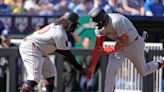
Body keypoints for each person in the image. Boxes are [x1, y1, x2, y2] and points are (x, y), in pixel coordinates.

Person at [86, 8, 164, 92]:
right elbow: (97, 48)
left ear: (102, 21)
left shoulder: (116, 21)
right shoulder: (99, 29)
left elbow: (126, 41)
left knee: (143, 71)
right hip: (119, 44)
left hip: (133, 43)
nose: (96, 25)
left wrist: (110, 49)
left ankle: (161, 61)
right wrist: (92, 67)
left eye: (97, 22)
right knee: (110, 70)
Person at [19, 12, 88, 92]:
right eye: (74, 24)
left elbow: (60, 50)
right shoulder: (60, 33)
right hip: (32, 47)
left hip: (38, 49)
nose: (75, 26)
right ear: (69, 23)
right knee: (34, 78)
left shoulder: (56, 27)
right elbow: (67, 54)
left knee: (50, 73)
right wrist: (80, 69)